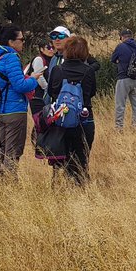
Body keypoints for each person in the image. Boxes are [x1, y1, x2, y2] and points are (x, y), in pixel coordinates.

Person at [0, 24, 43, 174]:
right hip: (15, 110)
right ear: (11, 42)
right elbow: (20, 85)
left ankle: (0, 182)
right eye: (21, 39)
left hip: (0, 110)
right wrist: (33, 79)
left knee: (1, 149)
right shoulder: (11, 58)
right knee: (13, 151)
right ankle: (10, 184)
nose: (23, 42)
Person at [46, 36, 98, 184]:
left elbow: (50, 92)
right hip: (84, 119)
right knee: (81, 158)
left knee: (60, 158)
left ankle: (59, 186)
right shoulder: (88, 71)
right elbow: (92, 92)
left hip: (60, 120)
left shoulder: (57, 70)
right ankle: (80, 186)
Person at [111, 28, 136, 131]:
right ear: (131, 36)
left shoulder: (121, 46)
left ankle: (119, 127)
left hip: (123, 79)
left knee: (120, 104)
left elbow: (113, 59)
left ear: (122, 37)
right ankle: (135, 127)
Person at [25, 39, 55, 119]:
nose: (51, 49)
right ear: (41, 49)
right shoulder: (39, 59)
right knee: (40, 119)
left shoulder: (52, 60)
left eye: (53, 47)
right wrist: (48, 89)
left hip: (43, 95)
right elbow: (39, 77)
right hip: (37, 96)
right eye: (48, 47)